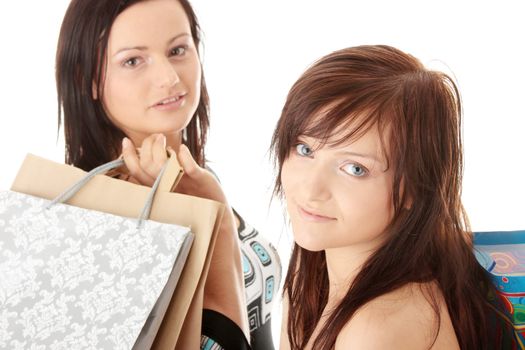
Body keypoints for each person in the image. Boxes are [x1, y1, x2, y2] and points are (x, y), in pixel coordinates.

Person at [55, 0, 281, 349]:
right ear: (89, 80)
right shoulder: (100, 221)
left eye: (177, 49)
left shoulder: (196, 180)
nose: (170, 78)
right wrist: (218, 226)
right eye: (133, 60)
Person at [271, 45, 514, 349]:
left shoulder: (376, 331)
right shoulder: (312, 272)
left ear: (415, 186)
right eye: (305, 149)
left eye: (355, 168)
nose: (311, 189)